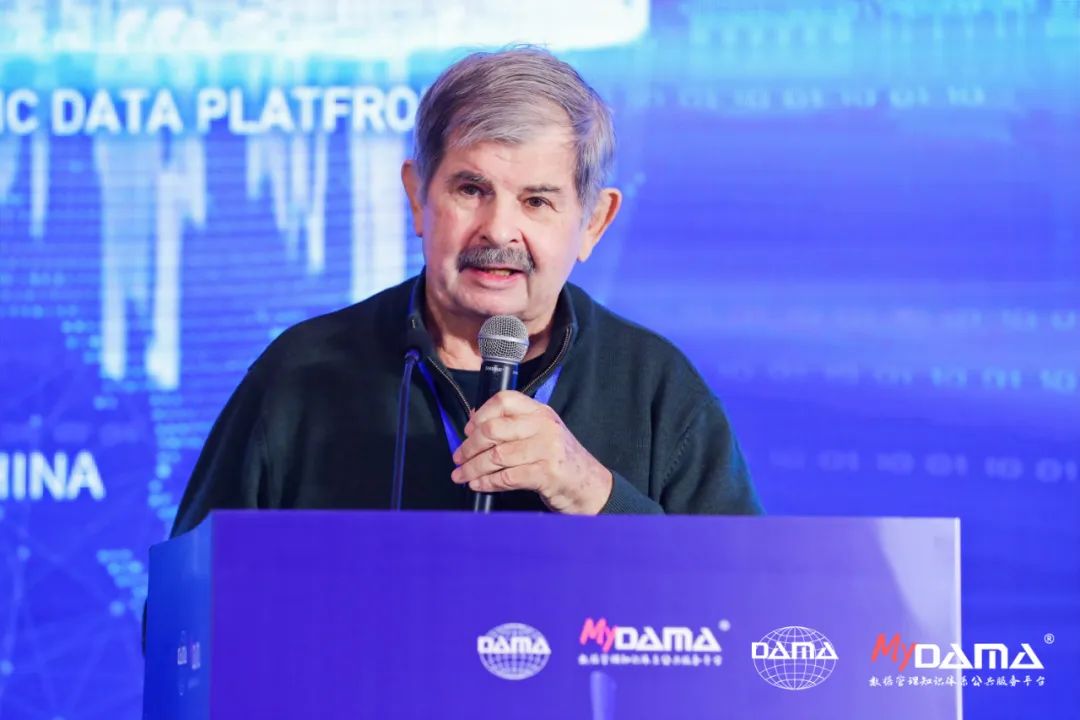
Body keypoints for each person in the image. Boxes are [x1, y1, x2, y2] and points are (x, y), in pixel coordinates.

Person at [169, 46, 761, 537]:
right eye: (471, 190)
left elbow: (748, 606)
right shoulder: (300, 373)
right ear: (417, 197)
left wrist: (595, 493)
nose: (499, 231)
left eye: (537, 200)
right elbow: (185, 611)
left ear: (594, 223)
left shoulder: (657, 388)